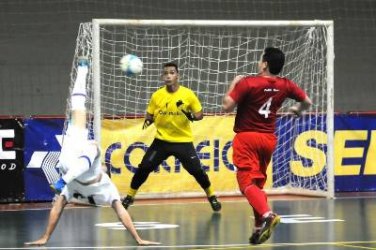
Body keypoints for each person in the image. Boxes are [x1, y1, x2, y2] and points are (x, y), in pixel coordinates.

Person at [24, 58, 160, 247]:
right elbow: (122, 213)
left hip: (70, 164)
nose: (105, 165)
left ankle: (82, 70)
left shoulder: (95, 170)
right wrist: (138, 238)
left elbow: (57, 208)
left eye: (105, 166)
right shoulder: (108, 190)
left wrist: (46, 236)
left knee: (81, 114)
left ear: (105, 172)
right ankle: (83, 70)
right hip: (71, 168)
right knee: (81, 119)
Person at [222, 47, 312, 245]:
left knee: (245, 183)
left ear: (265, 64)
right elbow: (307, 101)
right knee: (256, 186)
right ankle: (257, 227)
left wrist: (233, 84)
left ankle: (268, 215)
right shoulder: (285, 85)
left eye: (260, 59)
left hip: (247, 138)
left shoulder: (248, 83)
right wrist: (297, 108)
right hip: (268, 140)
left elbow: (227, 106)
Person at [121, 62, 221, 212]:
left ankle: (211, 196)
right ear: (163, 77)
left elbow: (200, 114)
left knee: (197, 171)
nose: (168, 75)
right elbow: (150, 113)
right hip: (161, 142)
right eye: (166, 73)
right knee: (144, 167)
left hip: (183, 142)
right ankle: (129, 196)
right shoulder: (157, 95)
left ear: (177, 76)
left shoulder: (187, 94)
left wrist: (192, 115)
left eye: (172, 73)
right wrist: (149, 119)